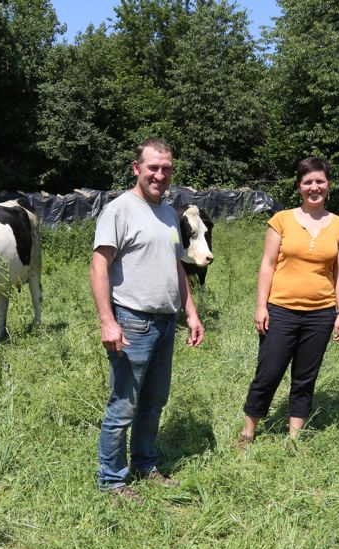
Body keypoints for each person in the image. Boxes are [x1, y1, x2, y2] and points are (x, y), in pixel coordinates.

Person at [90, 137, 205, 503]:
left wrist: (191, 312)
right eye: (153, 167)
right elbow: (99, 267)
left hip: (166, 321)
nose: (160, 174)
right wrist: (108, 321)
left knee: (154, 401)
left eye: (166, 168)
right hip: (132, 320)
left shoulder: (169, 212)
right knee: (123, 404)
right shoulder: (119, 210)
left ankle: (144, 465)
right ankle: (111, 480)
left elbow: (176, 265)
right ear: (136, 168)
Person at [239, 157, 339, 444]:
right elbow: (267, 264)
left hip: (321, 314)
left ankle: (294, 437)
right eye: (308, 182)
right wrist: (261, 306)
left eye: (320, 181)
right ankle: (248, 432)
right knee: (268, 372)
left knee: (305, 377)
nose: (314, 187)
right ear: (299, 186)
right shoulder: (281, 220)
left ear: (329, 184)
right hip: (281, 311)